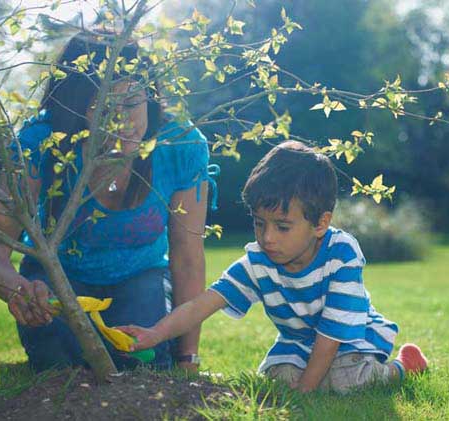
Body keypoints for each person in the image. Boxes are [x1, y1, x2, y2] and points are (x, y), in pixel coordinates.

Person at [0, 31, 217, 372]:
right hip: (59, 278)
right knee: (59, 366)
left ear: (150, 96)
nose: (123, 122)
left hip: (140, 275)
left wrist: (187, 359)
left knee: (143, 363)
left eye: (132, 102)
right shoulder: (40, 143)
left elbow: (188, 259)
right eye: (104, 108)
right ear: (73, 110)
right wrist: (20, 290)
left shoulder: (181, 145)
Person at [118, 141, 427, 393]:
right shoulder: (259, 261)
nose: (267, 238)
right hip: (298, 344)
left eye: (282, 226)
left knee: (342, 380)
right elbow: (204, 304)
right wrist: (154, 334)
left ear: (320, 223)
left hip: (348, 341)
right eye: (258, 223)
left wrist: (305, 391)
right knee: (277, 380)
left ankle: (402, 366)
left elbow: (332, 335)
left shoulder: (341, 254)